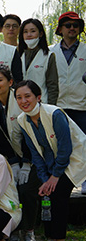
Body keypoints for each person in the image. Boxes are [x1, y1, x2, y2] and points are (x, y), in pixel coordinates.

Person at [15, 80, 86, 241]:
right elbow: (35, 152)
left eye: (27, 96)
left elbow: (65, 147)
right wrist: (44, 177)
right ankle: (52, 239)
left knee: (59, 191)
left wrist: (55, 176)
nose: (23, 101)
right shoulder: (22, 119)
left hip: (76, 158)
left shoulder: (54, 113)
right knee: (47, 193)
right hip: (52, 164)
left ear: (38, 97)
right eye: (19, 97)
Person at [0, 66, 37, 241]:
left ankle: (29, 230)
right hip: (10, 157)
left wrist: (27, 163)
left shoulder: (21, 101)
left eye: (0, 80)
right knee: (9, 189)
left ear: (10, 82)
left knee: (27, 189)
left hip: (34, 156)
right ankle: (13, 228)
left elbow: (30, 135)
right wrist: (13, 163)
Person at [50, 11, 86, 193]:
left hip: (82, 106)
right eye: (68, 25)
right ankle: (59, 180)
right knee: (60, 146)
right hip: (58, 106)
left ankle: (85, 180)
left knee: (84, 144)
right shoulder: (50, 51)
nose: (72, 28)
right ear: (60, 29)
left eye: (75, 25)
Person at [17, 18, 58, 105]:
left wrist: (50, 107)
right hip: (20, 103)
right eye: (25, 32)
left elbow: (52, 85)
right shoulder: (17, 54)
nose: (29, 35)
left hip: (41, 103)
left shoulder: (48, 56)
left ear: (41, 34)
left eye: (33, 31)